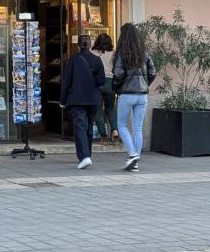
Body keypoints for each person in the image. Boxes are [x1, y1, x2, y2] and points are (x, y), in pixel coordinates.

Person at [112, 23, 156, 173]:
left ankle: (132, 154)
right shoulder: (145, 53)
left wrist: (116, 88)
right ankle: (135, 162)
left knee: (122, 125)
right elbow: (153, 73)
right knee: (137, 128)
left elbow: (118, 75)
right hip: (142, 95)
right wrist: (144, 84)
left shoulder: (122, 54)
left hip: (126, 94)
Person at [60, 34, 106, 169]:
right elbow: (102, 81)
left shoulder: (73, 60)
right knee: (88, 127)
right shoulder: (97, 60)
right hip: (93, 99)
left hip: (77, 99)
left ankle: (84, 156)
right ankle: (88, 155)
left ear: (78, 46)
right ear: (90, 45)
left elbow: (66, 81)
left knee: (80, 126)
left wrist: (63, 100)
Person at [91, 34, 119, 144]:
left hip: (97, 83)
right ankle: (115, 130)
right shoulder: (114, 54)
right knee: (110, 108)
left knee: (98, 110)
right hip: (110, 83)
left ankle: (103, 136)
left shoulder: (93, 53)